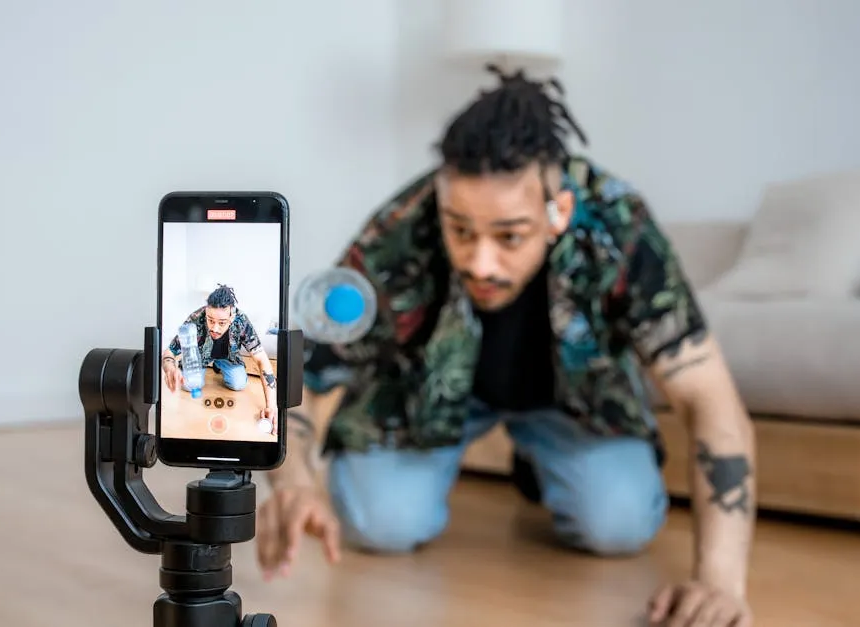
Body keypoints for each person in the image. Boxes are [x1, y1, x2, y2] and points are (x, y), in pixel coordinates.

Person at [258, 66, 756, 626]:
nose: (480, 262)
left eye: (510, 236)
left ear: (558, 211)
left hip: (573, 405)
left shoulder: (618, 226)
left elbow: (708, 398)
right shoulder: (400, 231)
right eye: (460, 229)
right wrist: (295, 483)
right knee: (379, 524)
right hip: (421, 403)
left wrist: (721, 581)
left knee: (619, 525)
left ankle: (539, 465)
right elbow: (296, 373)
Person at [163, 284, 277, 433]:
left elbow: (262, 359)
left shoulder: (241, 321)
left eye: (222, 323)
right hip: (200, 359)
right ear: (206, 311)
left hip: (228, 358)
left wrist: (271, 406)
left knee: (239, 384)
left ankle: (218, 365)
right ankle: (208, 365)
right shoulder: (195, 319)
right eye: (210, 320)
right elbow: (169, 352)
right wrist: (170, 368)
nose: (215, 328)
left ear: (232, 317)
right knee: (188, 385)